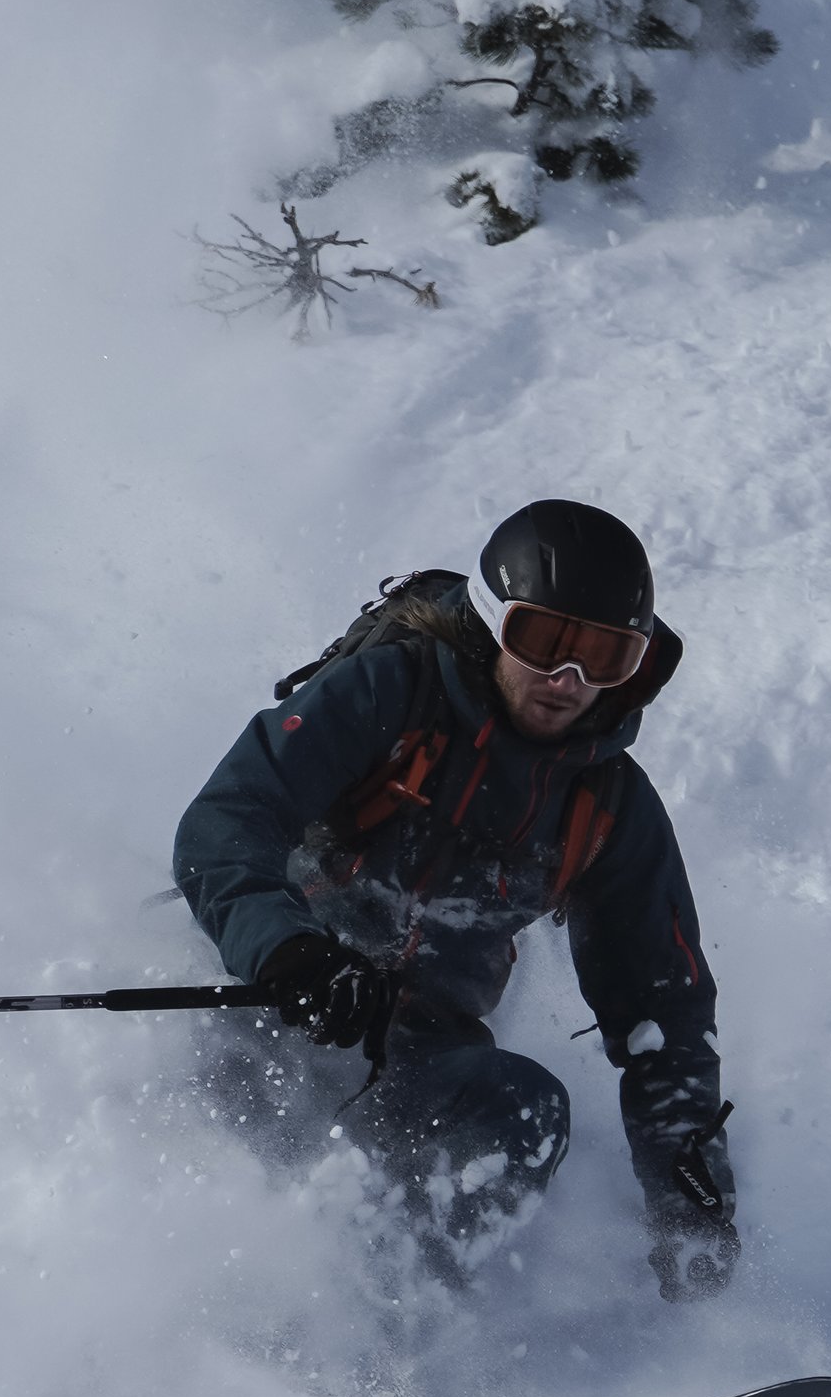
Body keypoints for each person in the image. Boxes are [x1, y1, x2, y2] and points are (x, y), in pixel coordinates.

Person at [173, 499, 738, 1295]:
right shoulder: (387, 696)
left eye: (603, 656)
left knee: (527, 1114)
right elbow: (227, 824)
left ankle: (391, 1343)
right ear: (490, 619)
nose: (566, 680)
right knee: (228, 1104)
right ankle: (175, 1319)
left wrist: (690, 1207)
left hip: (421, 1055)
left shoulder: (610, 806)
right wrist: (288, 952)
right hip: (266, 1002)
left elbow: (663, 1011)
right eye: (543, 641)